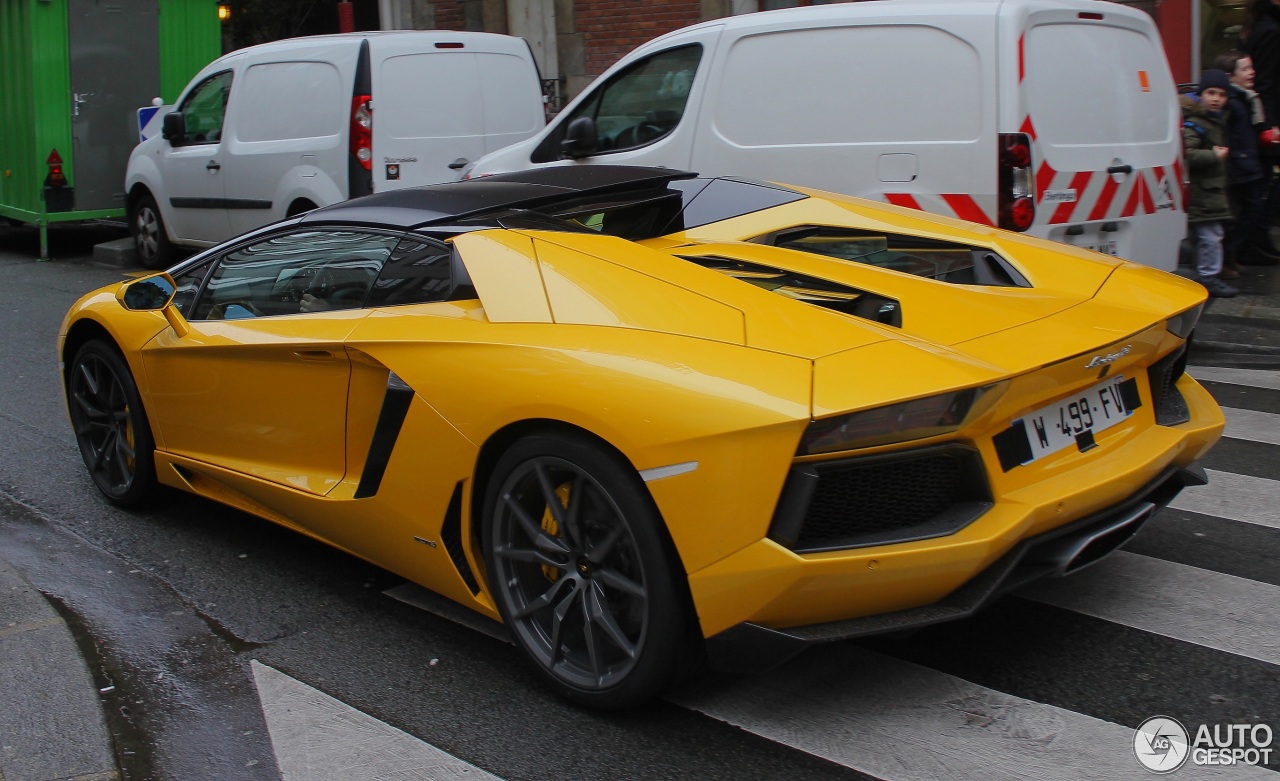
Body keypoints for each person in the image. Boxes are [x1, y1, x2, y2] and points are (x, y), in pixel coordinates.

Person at [1182, 70, 1240, 298]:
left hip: (1209, 192)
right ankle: (1208, 277)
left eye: (1222, 95)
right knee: (1210, 236)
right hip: (1203, 193)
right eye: (1211, 93)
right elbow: (1190, 154)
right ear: (1201, 94)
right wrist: (1214, 156)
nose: (1216, 99)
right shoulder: (1197, 123)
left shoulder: (1213, 121)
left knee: (1205, 236)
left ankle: (1204, 275)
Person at [1214, 52, 1269, 275]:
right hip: (1239, 167)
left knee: (1249, 210)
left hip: (1247, 164)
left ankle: (1230, 255)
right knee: (1241, 213)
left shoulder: (1246, 98)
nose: (1251, 72)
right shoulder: (1233, 103)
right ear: (1230, 76)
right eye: (1245, 69)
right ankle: (1226, 257)